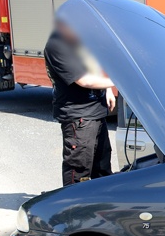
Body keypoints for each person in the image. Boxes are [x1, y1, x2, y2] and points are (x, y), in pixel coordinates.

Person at [44, 23, 117, 186]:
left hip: (97, 113)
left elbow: (96, 67)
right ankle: (73, 208)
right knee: (79, 172)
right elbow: (84, 80)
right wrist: (120, 81)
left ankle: (101, 207)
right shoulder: (58, 45)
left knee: (103, 169)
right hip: (79, 118)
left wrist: (108, 88)